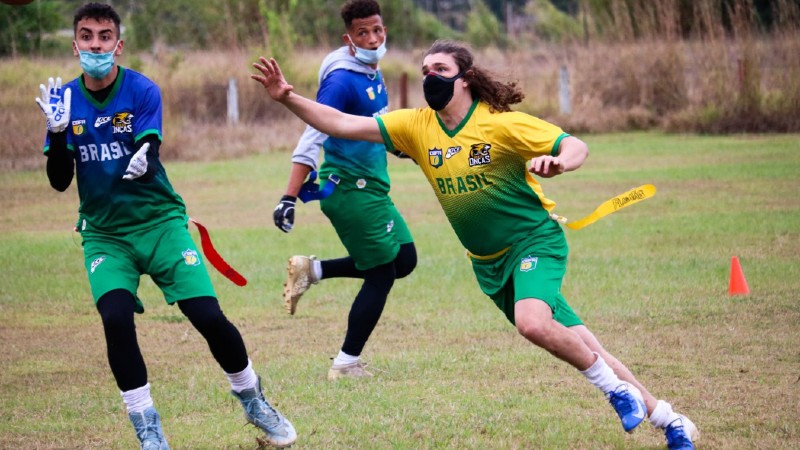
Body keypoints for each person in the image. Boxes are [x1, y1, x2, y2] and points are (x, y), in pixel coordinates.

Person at [251, 40, 697, 450]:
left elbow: (574, 145)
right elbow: (342, 123)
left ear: (464, 78)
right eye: (425, 69)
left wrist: (558, 163)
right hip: (489, 265)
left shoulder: (499, 125)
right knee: (581, 341)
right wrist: (288, 97)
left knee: (533, 324)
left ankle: (615, 391)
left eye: (440, 68)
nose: (429, 77)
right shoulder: (416, 127)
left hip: (533, 242)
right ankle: (671, 421)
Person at [35, 3, 296, 449]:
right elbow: (60, 181)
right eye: (86, 36)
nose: (94, 44)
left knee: (207, 316)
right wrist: (59, 135)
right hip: (105, 235)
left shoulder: (142, 89)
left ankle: (253, 400)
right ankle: (148, 430)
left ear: (118, 45)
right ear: (75, 43)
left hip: (160, 224)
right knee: (115, 319)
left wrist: (144, 156)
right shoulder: (65, 101)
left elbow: (150, 143)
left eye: (103, 36)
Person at [272, 0, 417, 380]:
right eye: (362, 33)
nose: (372, 38)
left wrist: (407, 147)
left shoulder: (372, 69)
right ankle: (345, 364)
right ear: (348, 39)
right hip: (349, 191)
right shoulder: (340, 80)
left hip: (371, 189)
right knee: (383, 273)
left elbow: (377, 126)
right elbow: (312, 136)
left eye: (377, 30)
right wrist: (289, 197)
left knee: (405, 260)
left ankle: (313, 270)